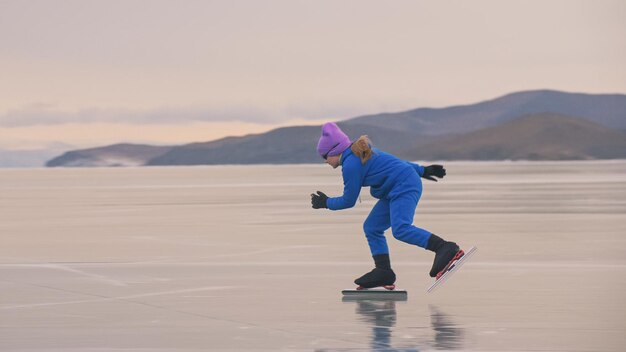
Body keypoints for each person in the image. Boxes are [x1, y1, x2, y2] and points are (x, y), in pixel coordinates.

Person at [311, 122, 462, 288]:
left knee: (401, 228)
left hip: (404, 186)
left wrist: (326, 203)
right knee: (372, 227)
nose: (325, 161)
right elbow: (395, 162)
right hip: (394, 188)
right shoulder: (360, 151)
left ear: (334, 151)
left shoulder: (351, 164)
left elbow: (349, 200)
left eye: (324, 157)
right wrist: (423, 171)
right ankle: (383, 271)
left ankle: (444, 248)